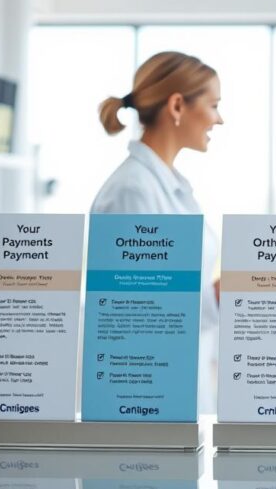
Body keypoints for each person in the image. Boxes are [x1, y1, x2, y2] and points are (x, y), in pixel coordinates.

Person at [91, 51, 224, 415]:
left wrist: (219, 294)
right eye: (213, 105)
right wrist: (216, 298)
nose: (219, 119)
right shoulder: (131, 192)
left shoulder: (167, 185)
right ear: (178, 105)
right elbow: (138, 315)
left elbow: (167, 293)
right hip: (148, 398)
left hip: (179, 382)